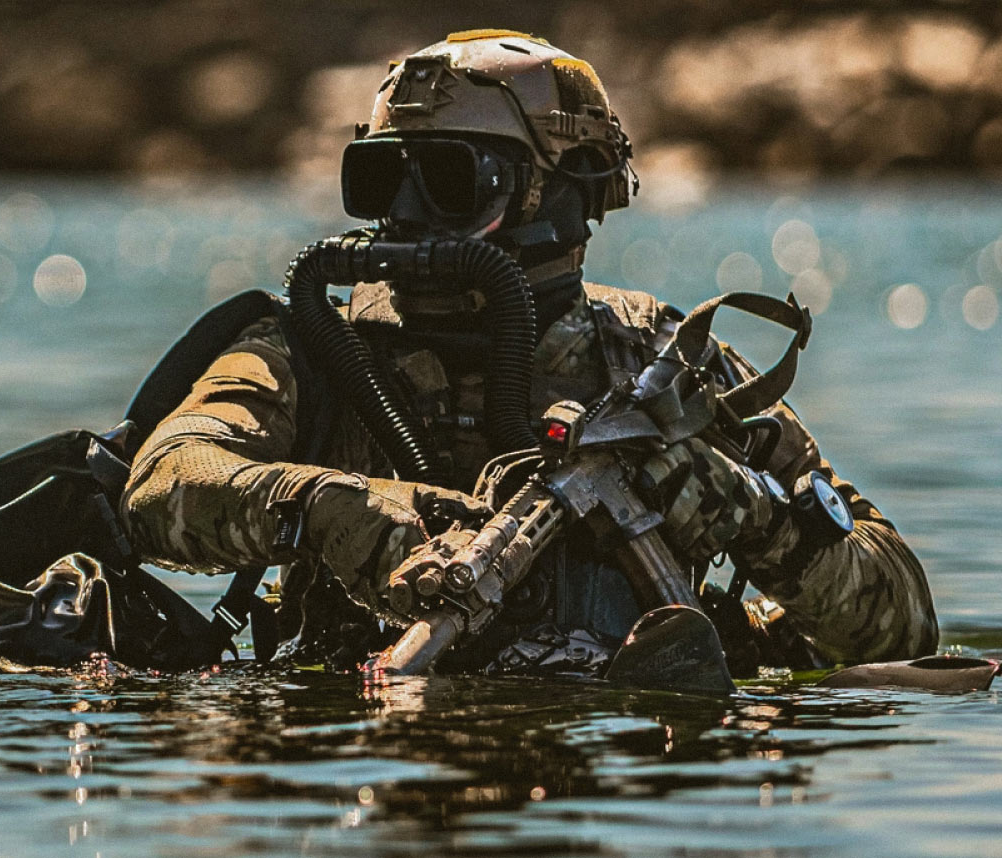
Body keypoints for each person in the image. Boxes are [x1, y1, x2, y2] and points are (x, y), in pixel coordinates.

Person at [119, 30, 938, 676]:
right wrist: (331, 509)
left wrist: (751, 516)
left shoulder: (664, 367)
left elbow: (904, 623)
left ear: (566, 187)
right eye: (380, 179)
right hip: (371, 732)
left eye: (446, 178)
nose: (404, 215)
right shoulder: (317, 350)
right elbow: (165, 478)